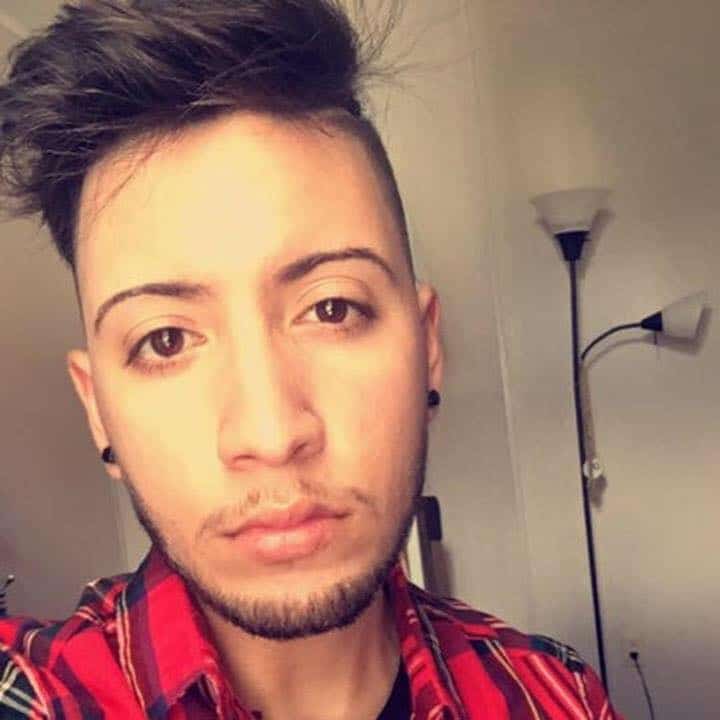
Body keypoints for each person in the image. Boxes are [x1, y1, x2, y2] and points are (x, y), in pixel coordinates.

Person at [0, 1, 623, 718]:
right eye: (165, 340)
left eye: (332, 309)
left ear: (427, 347)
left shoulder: (554, 696)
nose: (271, 435)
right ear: (97, 410)